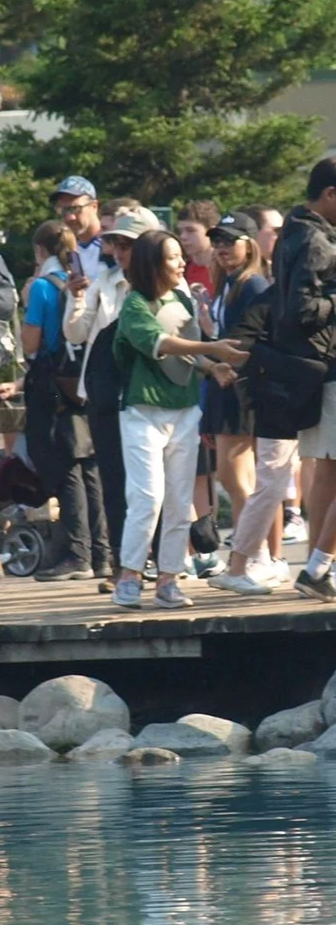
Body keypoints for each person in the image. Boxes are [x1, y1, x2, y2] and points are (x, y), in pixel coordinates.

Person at [111, 231, 244, 610]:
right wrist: (211, 347)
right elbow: (160, 344)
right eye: (172, 257)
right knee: (147, 497)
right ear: (153, 264)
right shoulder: (135, 304)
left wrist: (211, 367)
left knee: (179, 498)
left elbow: (184, 356)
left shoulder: (183, 298)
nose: (182, 262)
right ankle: (130, 576)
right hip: (142, 412)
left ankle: (168, 578)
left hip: (185, 411)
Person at [64, 205, 160, 571]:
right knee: (115, 481)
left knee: (152, 483)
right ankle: (124, 564)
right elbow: (74, 333)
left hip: (151, 395)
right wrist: (75, 298)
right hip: (105, 394)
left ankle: (162, 560)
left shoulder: (169, 284)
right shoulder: (105, 280)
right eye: (115, 243)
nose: (120, 252)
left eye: (128, 244)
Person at [22, 220, 110, 581]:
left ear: (39, 251)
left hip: (52, 384)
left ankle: (77, 553)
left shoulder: (43, 287)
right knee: (89, 465)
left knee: (65, 465)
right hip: (82, 379)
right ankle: (101, 552)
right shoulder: (81, 283)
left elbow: (30, 344)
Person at [267, 159, 336, 597]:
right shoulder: (314, 240)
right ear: (330, 194)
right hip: (326, 364)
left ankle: (321, 569)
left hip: (316, 369)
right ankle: (318, 566)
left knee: (327, 469)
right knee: (327, 469)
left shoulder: (293, 233)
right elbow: (303, 310)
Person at [197, 213, 272, 542]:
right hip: (225, 387)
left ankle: (253, 553)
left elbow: (250, 340)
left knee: (236, 477)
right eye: (216, 241)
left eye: (230, 240)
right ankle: (254, 552)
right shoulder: (229, 281)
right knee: (237, 477)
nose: (221, 247)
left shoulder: (252, 283)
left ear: (250, 244)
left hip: (241, 388)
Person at [52, 176, 103, 282]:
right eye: (63, 210)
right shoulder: (72, 253)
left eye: (76, 209)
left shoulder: (113, 248)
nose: (69, 217)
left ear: (94, 206)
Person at [176, 202, 220, 294]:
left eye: (190, 230)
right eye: (180, 231)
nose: (183, 236)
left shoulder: (226, 270)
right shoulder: (179, 270)